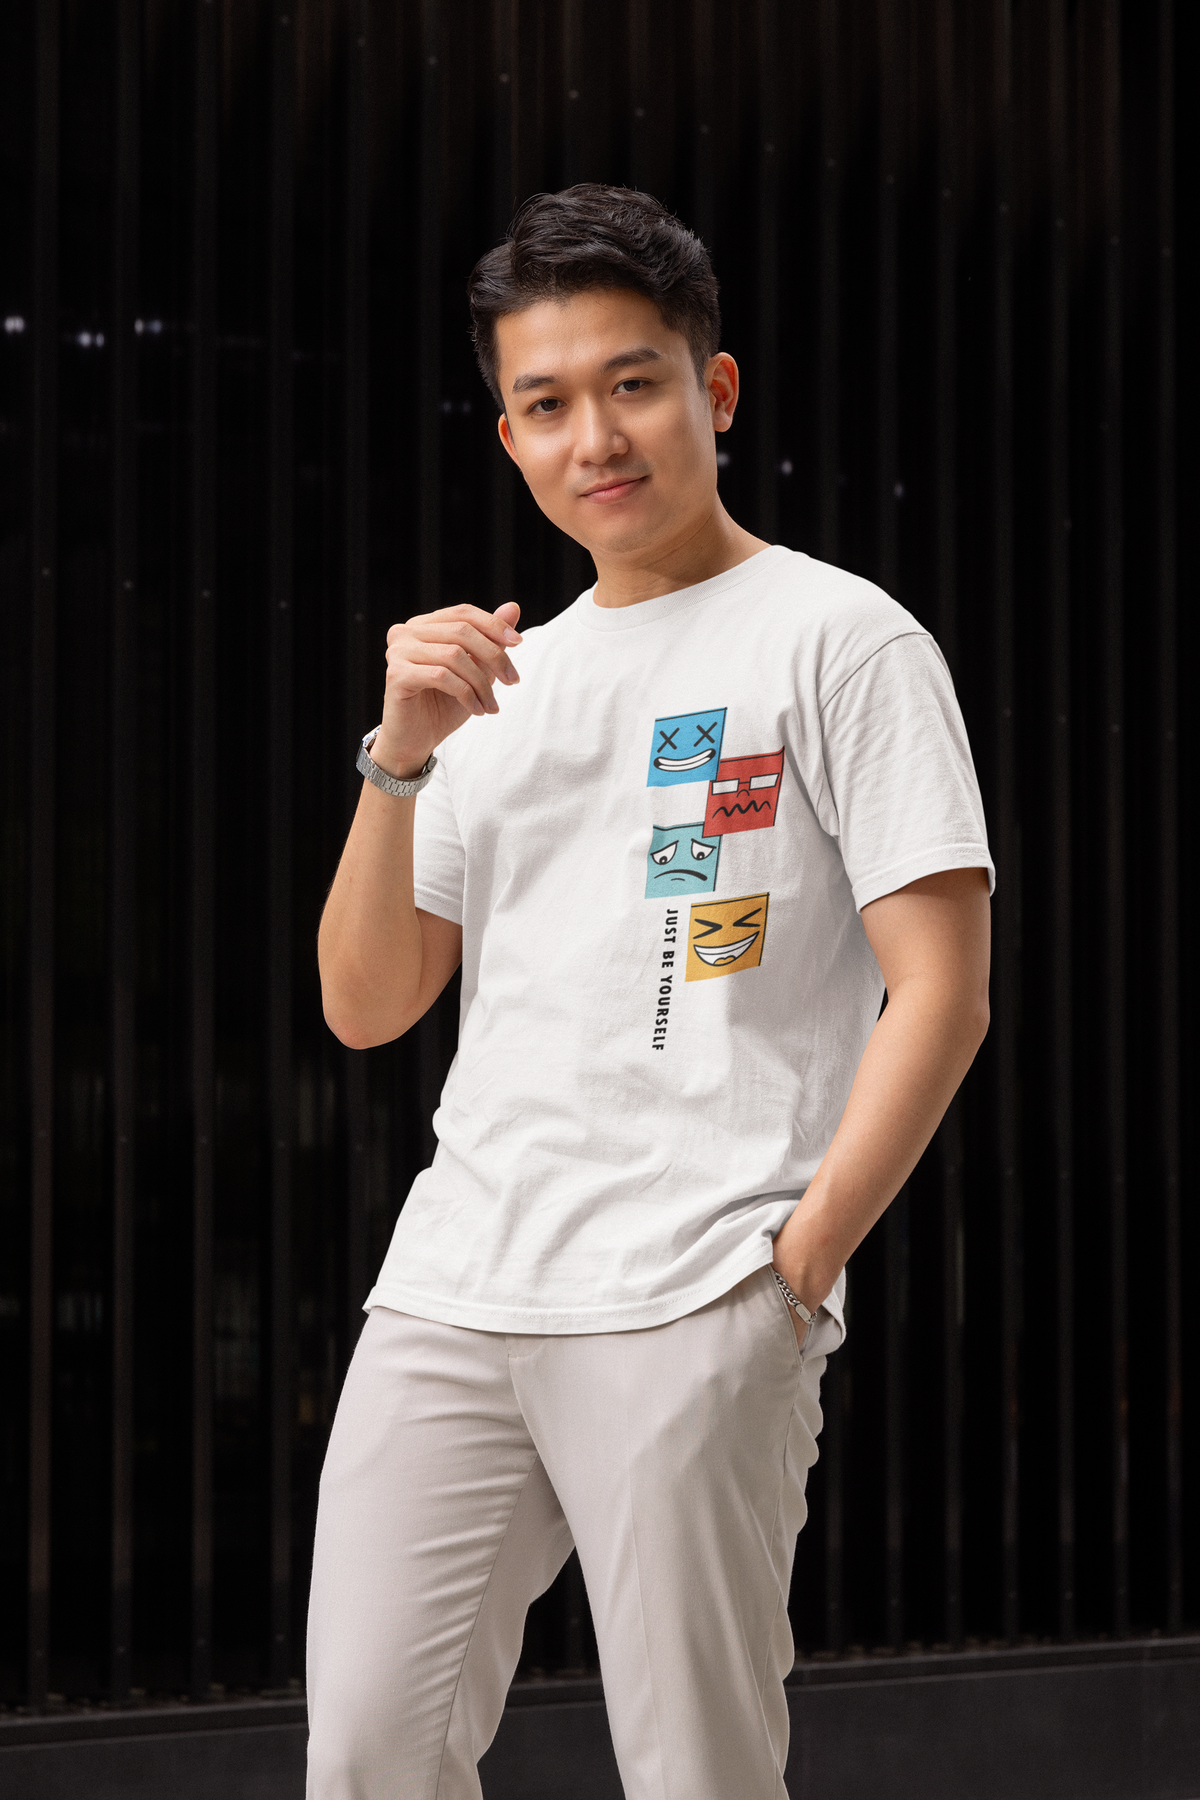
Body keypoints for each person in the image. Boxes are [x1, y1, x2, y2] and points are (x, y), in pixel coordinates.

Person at [309, 184, 992, 1800]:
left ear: (715, 389)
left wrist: (793, 1269)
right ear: (511, 438)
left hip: (700, 1285)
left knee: (696, 1771)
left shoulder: (840, 638)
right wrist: (399, 755)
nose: (596, 437)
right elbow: (367, 1004)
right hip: (456, 1288)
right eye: (547, 404)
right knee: (369, 1752)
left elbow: (942, 989)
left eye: (634, 383)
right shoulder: (498, 686)